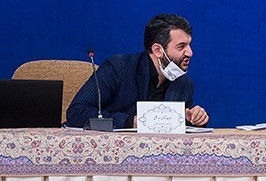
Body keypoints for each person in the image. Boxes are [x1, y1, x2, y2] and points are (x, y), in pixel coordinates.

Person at [65, 13, 209, 129]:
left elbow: (177, 128)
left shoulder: (184, 83)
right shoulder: (119, 67)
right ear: (158, 50)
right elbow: (77, 112)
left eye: (189, 45)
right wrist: (130, 122)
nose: (190, 53)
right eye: (181, 46)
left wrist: (195, 118)